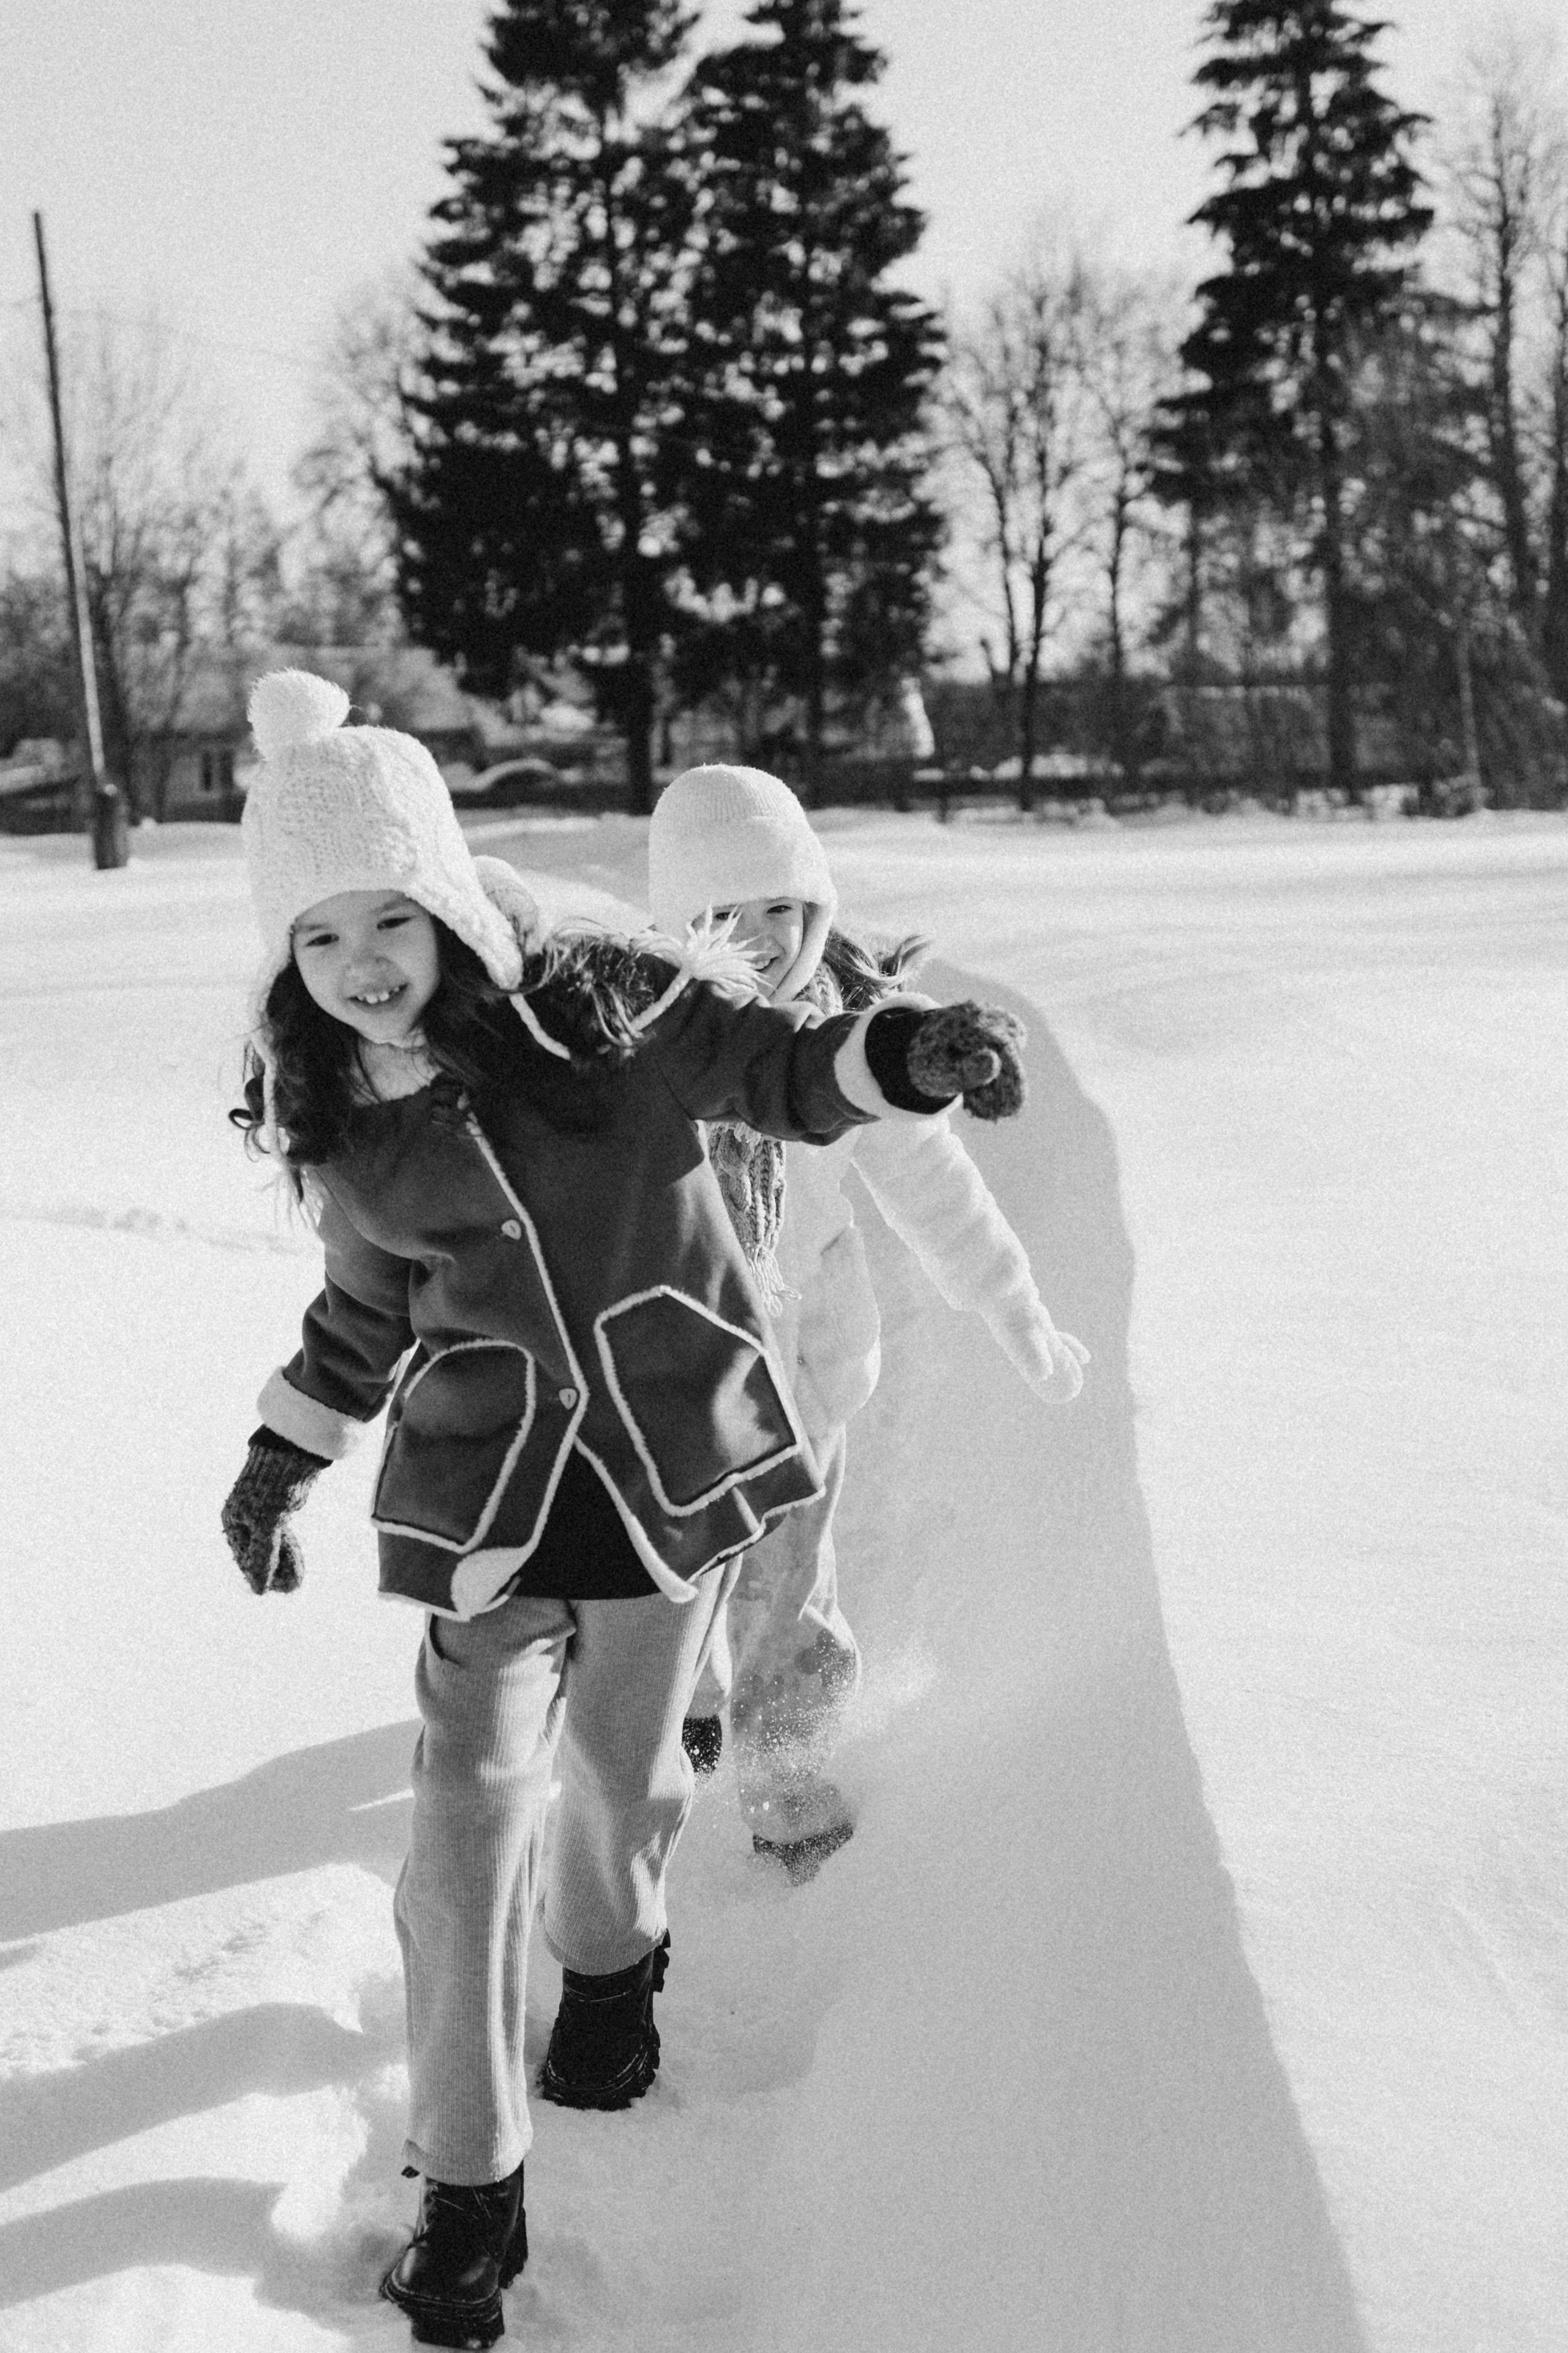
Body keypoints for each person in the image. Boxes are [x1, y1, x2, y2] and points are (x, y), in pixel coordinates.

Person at [217, 672, 1029, 2351]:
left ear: (447, 893)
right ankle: (468, 2188)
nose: (364, 961)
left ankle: (610, 1963)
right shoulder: (351, 1124)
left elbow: (791, 1067)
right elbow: (364, 1314)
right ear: (284, 964)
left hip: (671, 1471)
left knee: (624, 1777)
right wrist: (285, 1448)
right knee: (460, 1826)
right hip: (489, 1505)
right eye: (319, 939)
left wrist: (904, 1057)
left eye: (390, 914)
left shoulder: (617, 1012)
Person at [647, 763, 1088, 1882]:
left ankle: (787, 1782)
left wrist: (1015, 1308)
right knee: (672, 1586)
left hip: (805, 1384)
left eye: (784, 911)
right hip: (668, 1396)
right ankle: (685, 1706)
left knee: (792, 1594)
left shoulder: (847, 1051)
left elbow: (939, 1191)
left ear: (819, 908)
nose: (762, 942)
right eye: (724, 918)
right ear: (675, 923)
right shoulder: (639, 1056)